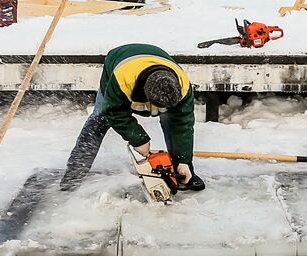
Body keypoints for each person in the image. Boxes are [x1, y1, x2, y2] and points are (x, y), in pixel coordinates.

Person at [61, 43, 205, 193]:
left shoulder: (183, 87)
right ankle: (74, 174)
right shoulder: (122, 80)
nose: (160, 111)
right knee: (99, 120)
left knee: (172, 121)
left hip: (152, 63)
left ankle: (180, 172)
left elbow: (182, 126)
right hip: (118, 61)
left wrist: (184, 161)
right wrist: (138, 138)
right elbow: (114, 111)